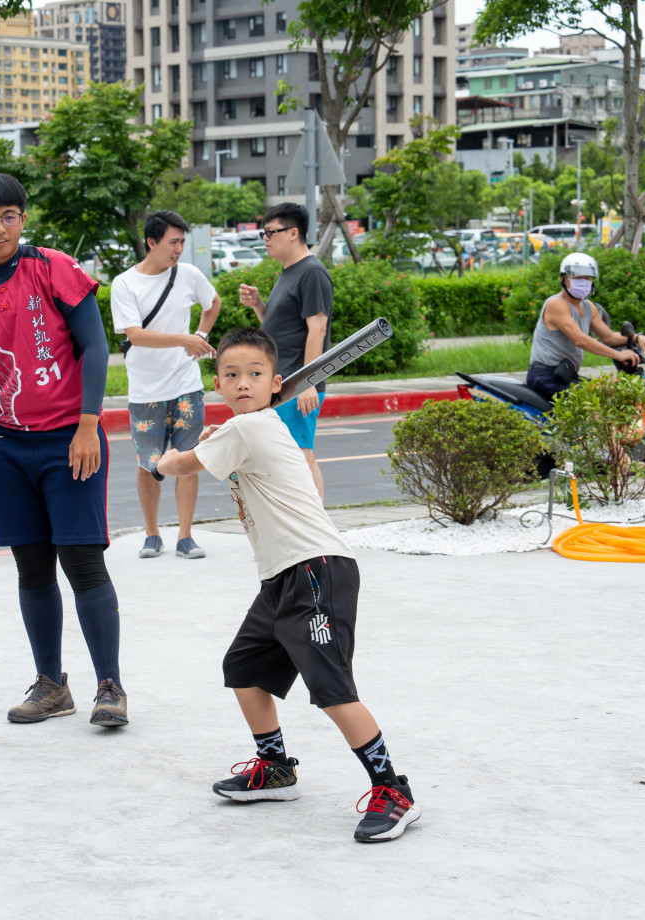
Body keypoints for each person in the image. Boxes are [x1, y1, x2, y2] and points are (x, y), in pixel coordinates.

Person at [156, 328, 421, 843]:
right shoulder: (250, 428)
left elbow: (184, 464)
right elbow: (224, 452)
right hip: (282, 575)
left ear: (275, 383)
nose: (242, 383)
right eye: (231, 375)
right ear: (218, 383)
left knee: (330, 687)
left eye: (255, 375)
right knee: (244, 667)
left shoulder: (251, 428)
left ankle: (394, 789)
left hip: (316, 568)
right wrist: (213, 441)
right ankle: (275, 767)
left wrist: (166, 459)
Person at [0, 173, 129, 725]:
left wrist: (90, 424)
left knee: (82, 561)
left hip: (70, 437)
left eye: (9, 216)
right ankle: (51, 684)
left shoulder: (53, 269)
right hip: (4, 444)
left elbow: (95, 346)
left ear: (22, 218)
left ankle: (110, 687)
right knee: (31, 566)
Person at [110, 210, 221, 559]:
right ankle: (152, 533)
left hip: (187, 386)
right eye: (173, 242)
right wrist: (185, 339)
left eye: (182, 243)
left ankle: (185, 536)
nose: (178, 249)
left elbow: (213, 302)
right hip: (146, 391)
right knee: (150, 464)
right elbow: (136, 336)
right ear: (151, 242)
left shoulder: (188, 274)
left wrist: (201, 335)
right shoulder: (125, 283)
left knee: (188, 459)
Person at [236, 202, 332, 501]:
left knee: (302, 457)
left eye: (270, 232)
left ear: (293, 233)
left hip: (297, 385)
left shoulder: (311, 272)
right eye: (263, 233)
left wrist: (308, 382)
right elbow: (280, 330)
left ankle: (318, 536)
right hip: (284, 383)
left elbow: (318, 329)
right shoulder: (289, 272)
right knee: (287, 461)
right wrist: (258, 305)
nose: (265, 239)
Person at [525, 252, 645, 402]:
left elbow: (608, 337)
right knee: (596, 407)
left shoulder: (588, 307)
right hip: (546, 377)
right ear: (564, 279)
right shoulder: (556, 304)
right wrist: (618, 355)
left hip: (566, 375)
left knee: (606, 397)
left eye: (587, 278)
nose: (583, 282)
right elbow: (580, 340)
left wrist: (636, 337)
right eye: (577, 278)